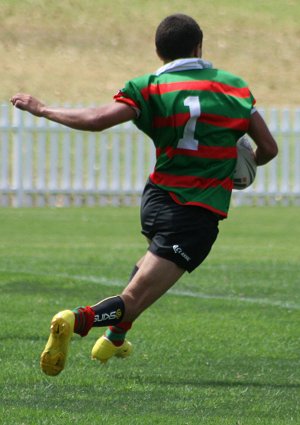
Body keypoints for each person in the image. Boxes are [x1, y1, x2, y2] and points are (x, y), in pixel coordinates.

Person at [11, 13, 278, 377]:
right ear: (199, 47)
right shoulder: (234, 88)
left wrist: (42, 109)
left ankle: (115, 339)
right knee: (135, 296)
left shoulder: (149, 86)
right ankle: (76, 321)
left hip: (156, 200)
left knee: (149, 269)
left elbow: (95, 119)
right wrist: (243, 168)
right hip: (195, 212)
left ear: (159, 51)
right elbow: (269, 148)